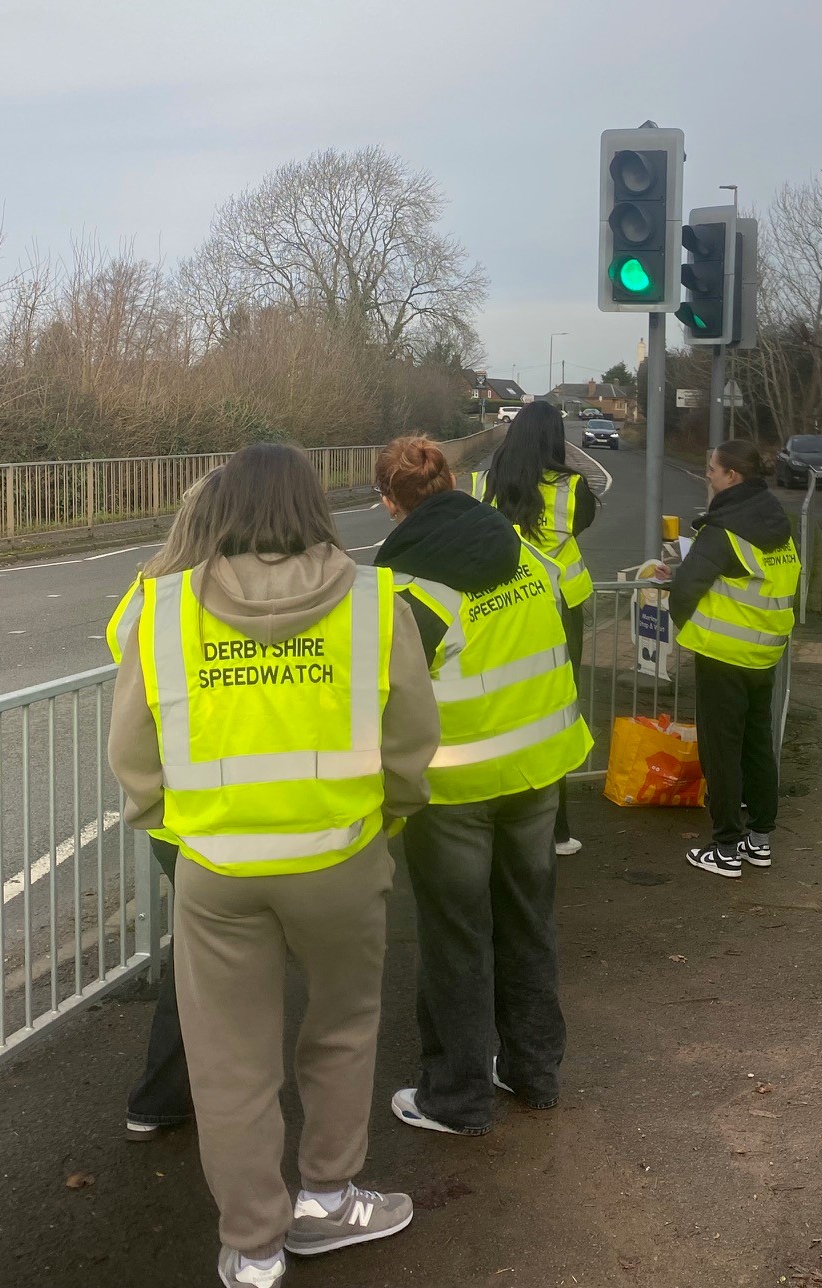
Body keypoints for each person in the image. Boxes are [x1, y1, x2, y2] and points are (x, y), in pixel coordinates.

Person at [108, 443, 438, 1288]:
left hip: (216, 866)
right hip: (341, 855)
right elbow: (410, 740)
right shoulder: (374, 601)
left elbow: (132, 755)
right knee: (340, 1029)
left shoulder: (164, 606)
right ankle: (328, 1200)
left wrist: (173, 831)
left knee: (230, 1061)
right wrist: (387, 816)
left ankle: (253, 1246)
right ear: (314, 505)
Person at [371, 435, 592, 1136]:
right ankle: (534, 1073)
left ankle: (457, 1096)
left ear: (388, 503)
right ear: (455, 483)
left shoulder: (411, 588)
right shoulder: (524, 551)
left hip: (456, 790)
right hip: (538, 772)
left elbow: (389, 700)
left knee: (456, 940)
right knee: (529, 923)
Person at [103, 469, 223, 1144]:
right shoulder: (234, 594)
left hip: (175, 807)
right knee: (211, 960)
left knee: (202, 952)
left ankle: (165, 1096)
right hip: (225, 806)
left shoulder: (152, 589)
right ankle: (166, 1094)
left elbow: (121, 647)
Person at [662, 438, 800, 879]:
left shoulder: (724, 529)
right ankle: (759, 840)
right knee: (757, 744)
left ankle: (724, 847)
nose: (708, 478)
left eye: (712, 472)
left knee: (721, 750)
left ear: (732, 477)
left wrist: (687, 623)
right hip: (765, 651)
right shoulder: (774, 518)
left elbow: (686, 591)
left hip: (723, 655)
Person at [471, 401, 599, 856]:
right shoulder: (575, 487)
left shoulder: (484, 483)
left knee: (506, 707)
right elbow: (583, 523)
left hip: (501, 607)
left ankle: (501, 819)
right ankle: (556, 829)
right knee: (556, 714)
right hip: (560, 610)